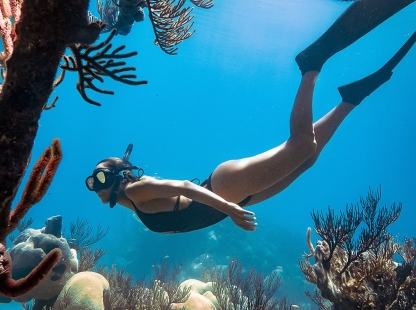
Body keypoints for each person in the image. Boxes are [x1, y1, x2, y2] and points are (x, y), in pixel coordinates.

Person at [86, 0, 416, 234]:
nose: (95, 187)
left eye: (99, 178)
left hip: (225, 189)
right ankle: (351, 99)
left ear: (119, 177)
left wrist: (229, 209)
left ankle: (312, 62)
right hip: (229, 196)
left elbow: (184, 186)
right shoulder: (135, 202)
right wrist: (228, 207)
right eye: (94, 181)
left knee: (301, 146)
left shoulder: (138, 190)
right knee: (307, 159)